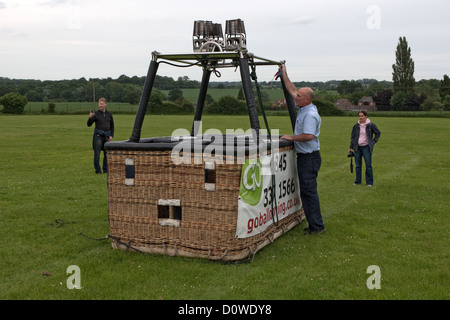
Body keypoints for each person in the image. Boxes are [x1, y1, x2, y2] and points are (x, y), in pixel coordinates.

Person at [279, 65, 326, 235]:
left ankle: (317, 227)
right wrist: (284, 73)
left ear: (307, 99)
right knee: (306, 192)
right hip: (306, 157)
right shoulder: (304, 107)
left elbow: (308, 136)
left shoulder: (310, 115)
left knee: (309, 192)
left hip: (309, 158)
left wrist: (290, 138)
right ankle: (314, 225)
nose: (295, 98)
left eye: (299, 96)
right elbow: (292, 89)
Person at [348, 110, 381, 186]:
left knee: (368, 165)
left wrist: (373, 142)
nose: (360, 117)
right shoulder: (356, 126)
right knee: (358, 165)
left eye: (362, 116)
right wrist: (351, 147)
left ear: (366, 116)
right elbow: (353, 137)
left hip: (366, 147)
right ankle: (357, 181)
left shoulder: (370, 125)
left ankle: (369, 182)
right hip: (357, 148)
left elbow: (378, 133)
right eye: (359, 116)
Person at [87, 98, 114, 174]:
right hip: (98, 136)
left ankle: (105, 170)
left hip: (107, 136)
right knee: (97, 154)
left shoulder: (109, 114)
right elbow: (89, 124)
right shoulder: (96, 114)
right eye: (99, 104)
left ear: (105, 104)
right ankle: (98, 171)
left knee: (106, 154)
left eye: (102, 104)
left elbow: (112, 125)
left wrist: (111, 135)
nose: (100, 105)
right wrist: (90, 117)